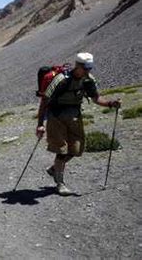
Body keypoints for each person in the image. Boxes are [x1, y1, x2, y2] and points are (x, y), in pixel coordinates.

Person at [36, 53, 121, 195]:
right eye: (86, 68)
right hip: (56, 117)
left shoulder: (88, 80)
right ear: (78, 66)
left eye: (90, 68)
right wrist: (40, 124)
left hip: (74, 116)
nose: (89, 71)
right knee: (61, 151)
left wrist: (110, 104)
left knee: (76, 149)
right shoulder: (61, 80)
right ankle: (60, 184)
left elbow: (96, 98)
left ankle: (54, 169)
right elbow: (45, 101)